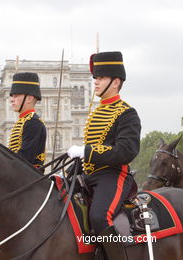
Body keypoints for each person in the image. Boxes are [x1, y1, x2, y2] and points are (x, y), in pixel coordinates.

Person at [67, 51, 141, 260]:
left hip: (113, 175)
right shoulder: (97, 112)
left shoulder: (127, 113)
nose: (96, 83)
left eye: (101, 78)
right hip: (89, 176)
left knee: (99, 216)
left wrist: (86, 151)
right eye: (96, 78)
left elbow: (126, 151)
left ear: (116, 82)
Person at [8, 72, 46, 169]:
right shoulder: (23, 121)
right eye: (12, 96)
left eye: (16, 96)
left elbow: (24, 159)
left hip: (29, 179)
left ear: (29, 98)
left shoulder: (33, 123)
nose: (12, 100)